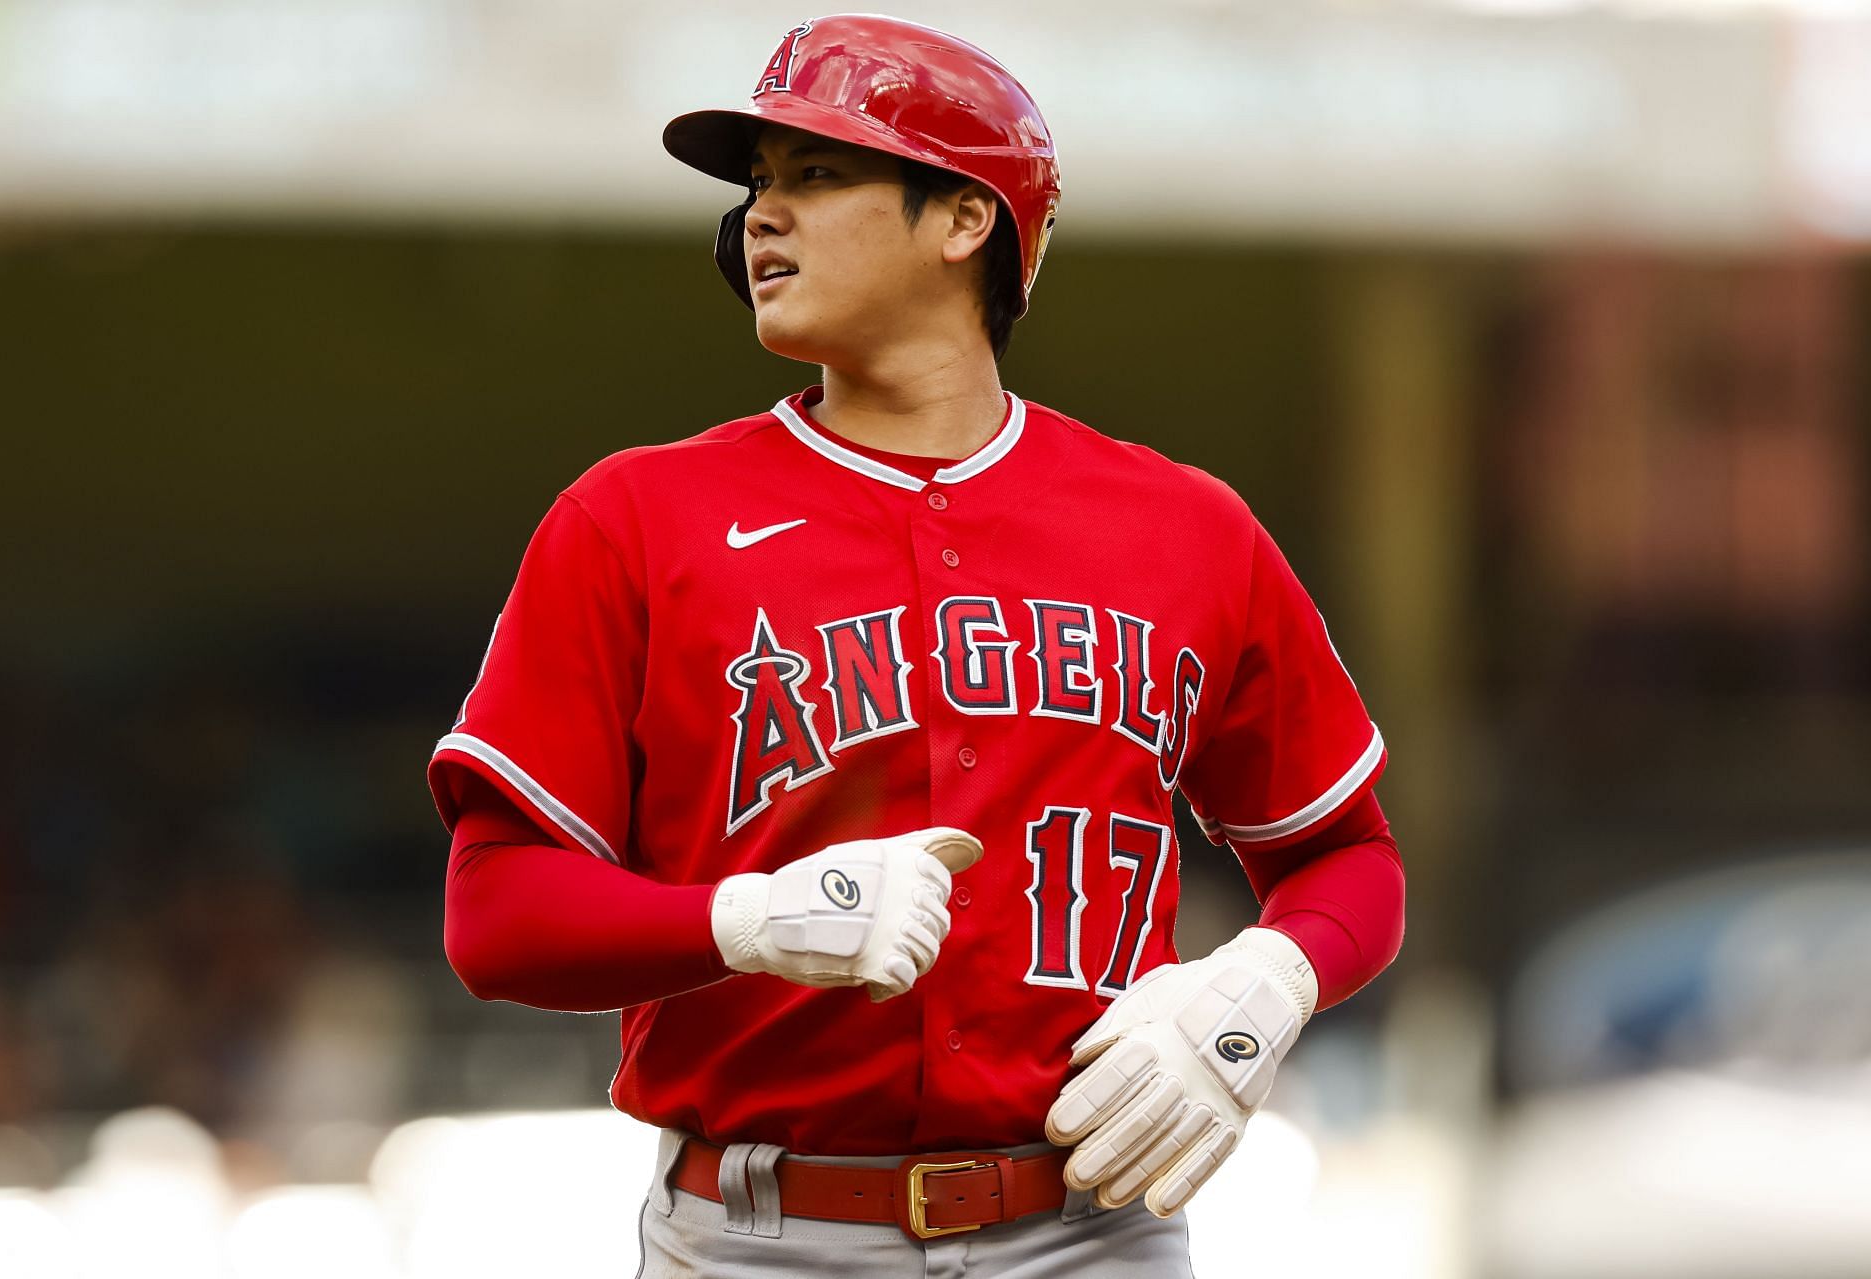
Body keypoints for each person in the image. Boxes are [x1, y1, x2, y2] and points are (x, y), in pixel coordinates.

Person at [428, 14, 1405, 1276]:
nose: (761, 218)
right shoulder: (631, 519)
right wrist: (741, 920)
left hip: (1096, 1228)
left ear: (965, 218)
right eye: (758, 187)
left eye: (818, 176)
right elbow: (495, 915)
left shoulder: (1187, 530)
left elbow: (1348, 859)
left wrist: (1269, 985)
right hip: (762, 1237)